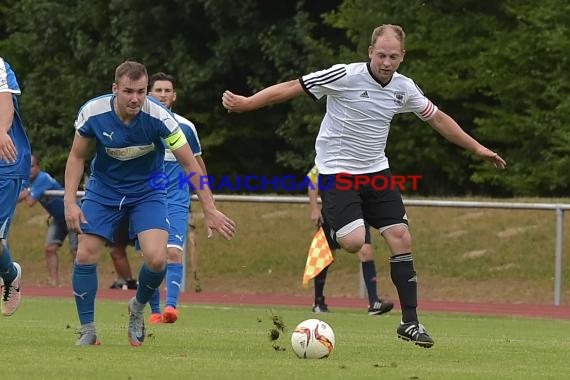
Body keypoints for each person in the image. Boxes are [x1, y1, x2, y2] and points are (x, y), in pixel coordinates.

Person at [222, 24, 507, 349]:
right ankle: (331, 234)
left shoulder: (404, 87)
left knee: (401, 237)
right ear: (370, 52)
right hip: (337, 171)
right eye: (382, 55)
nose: (387, 62)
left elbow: (438, 118)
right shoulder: (344, 75)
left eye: (394, 56)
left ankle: (410, 322)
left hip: (376, 171)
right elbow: (292, 86)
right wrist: (247, 103)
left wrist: (477, 148)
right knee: (355, 242)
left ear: (403, 56)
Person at [64, 61, 236, 346]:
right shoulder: (93, 112)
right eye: (128, 91)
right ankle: (88, 329)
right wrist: (70, 201)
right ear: (115, 89)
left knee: (157, 259)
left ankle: (137, 307)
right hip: (103, 190)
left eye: (141, 92)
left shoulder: (161, 118)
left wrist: (209, 208)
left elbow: (190, 163)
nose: (135, 98)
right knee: (85, 255)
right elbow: (76, 157)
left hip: (148, 192)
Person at [145, 71, 208, 324]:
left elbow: (198, 168)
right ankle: (152, 311)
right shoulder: (140, 125)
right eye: (158, 90)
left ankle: (170, 308)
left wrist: (208, 202)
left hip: (176, 199)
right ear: (149, 93)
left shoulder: (186, 127)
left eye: (166, 90)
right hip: (147, 200)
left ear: (174, 96)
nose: (162, 95)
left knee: (173, 253)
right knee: (152, 257)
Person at [306, 163, 393, 315]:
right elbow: (312, 180)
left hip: (358, 211)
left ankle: (374, 303)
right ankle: (318, 301)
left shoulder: (362, 158)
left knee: (366, 251)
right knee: (327, 255)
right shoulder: (331, 155)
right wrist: (314, 209)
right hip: (333, 211)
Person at [18, 155, 78, 286]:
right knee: (50, 248)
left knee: (76, 250)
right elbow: (17, 196)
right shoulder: (28, 182)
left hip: (72, 214)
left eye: (32, 166)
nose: (29, 170)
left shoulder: (43, 178)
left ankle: (80, 282)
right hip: (58, 218)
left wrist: (27, 192)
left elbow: (30, 202)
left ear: (38, 167)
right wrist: (27, 191)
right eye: (26, 167)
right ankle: (54, 282)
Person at [0, 57, 28, 317]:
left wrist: (1, 131)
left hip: (5, 163)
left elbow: (5, 102)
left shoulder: (183, 127)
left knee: (166, 255)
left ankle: (10, 276)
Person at [107, 216, 138, 290]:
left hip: (131, 212)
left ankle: (129, 282)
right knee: (115, 250)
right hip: (116, 213)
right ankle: (126, 281)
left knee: (116, 250)